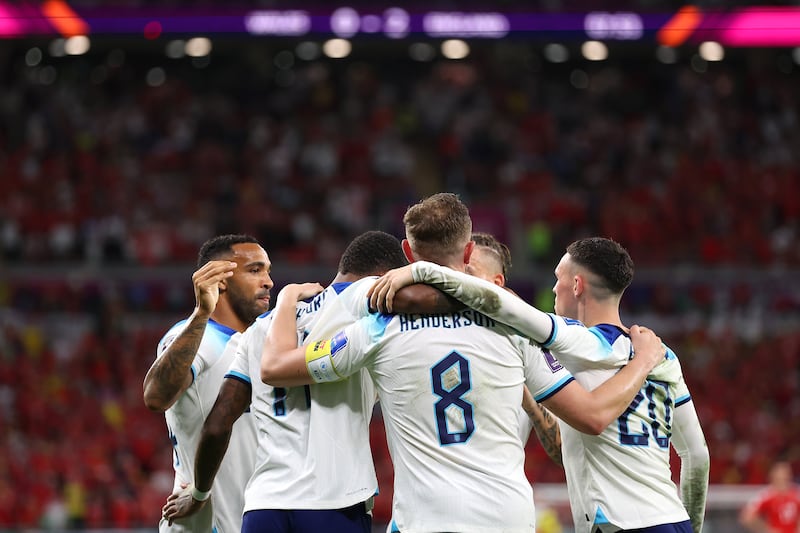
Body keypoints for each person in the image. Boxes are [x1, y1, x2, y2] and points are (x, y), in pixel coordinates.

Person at [261, 192, 666, 532]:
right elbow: (592, 417)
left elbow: (278, 368)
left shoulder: (376, 328)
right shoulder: (516, 325)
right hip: (506, 518)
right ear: (470, 250)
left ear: (407, 253)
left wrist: (284, 303)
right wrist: (642, 361)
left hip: (424, 520)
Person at [370, 236, 711, 533]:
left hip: (619, 524)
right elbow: (696, 456)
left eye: (557, 279)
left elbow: (503, 306)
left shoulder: (574, 341)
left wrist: (420, 270)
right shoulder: (663, 355)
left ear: (576, 286)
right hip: (672, 517)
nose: (552, 288)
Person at [161, 230, 412, 532]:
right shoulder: (364, 302)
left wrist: (200, 494)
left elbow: (217, 425)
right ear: (384, 276)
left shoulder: (259, 330)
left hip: (264, 506)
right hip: (333, 503)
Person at [143, 234, 272, 533]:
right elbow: (156, 396)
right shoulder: (200, 338)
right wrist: (202, 313)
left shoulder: (260, 342)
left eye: (267, 271)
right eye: (254, 270)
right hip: (205, 523)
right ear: (220, 278)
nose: (267, 281)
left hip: (252, 517)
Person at [469, 231, 562, 465]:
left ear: (497, 282)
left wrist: (526, 394)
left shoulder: (528, 340)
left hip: (500, 491)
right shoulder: (425, 327)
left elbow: (561, 450)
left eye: (468, 273)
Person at [740, 460, 800, 533]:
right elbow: (747, 516)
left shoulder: (796, 493)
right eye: (780, 476)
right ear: (773, 476)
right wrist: (767, 530)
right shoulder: (766, 495)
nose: (783, 478)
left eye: (786, 475)